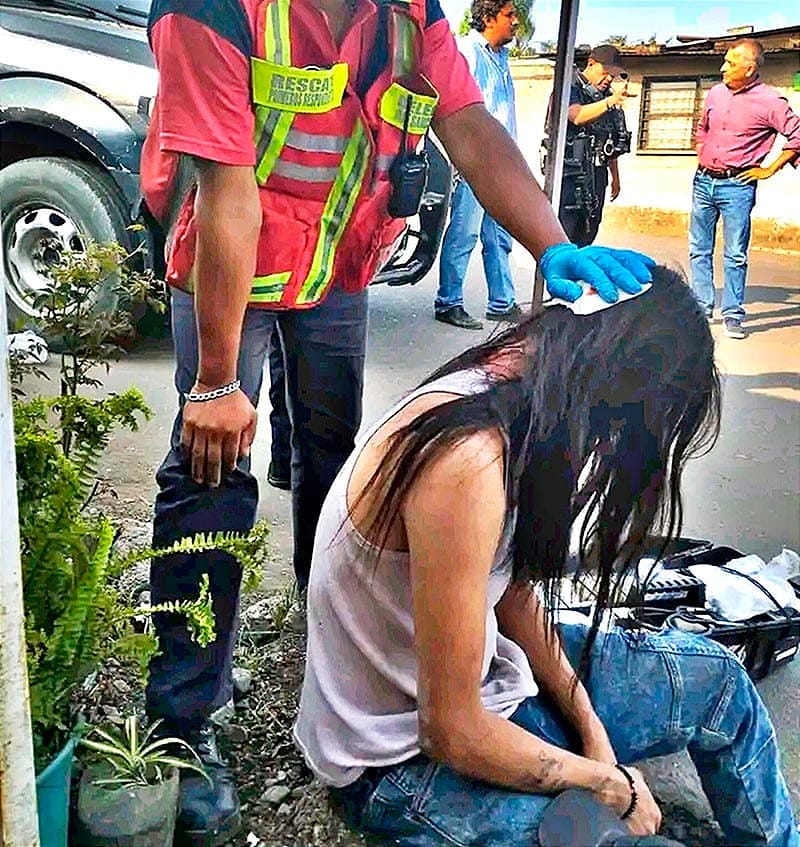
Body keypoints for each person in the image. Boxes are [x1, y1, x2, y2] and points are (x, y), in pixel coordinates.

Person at [139, 0, 658, 839]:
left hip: (338, 267)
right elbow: (227, 193)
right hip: (233, 258)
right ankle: (184, 719)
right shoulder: (215, 10)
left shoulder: (410, 15)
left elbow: (470, 125)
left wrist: (550, 242)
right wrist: (213, 382)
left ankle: (326, 655)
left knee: (334, 462)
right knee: (211, 471)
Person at [294, 266, 800, 847]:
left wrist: (591, 729)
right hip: (396, 763)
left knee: (720, 684)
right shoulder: (469, 458)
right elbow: (452, 731)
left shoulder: (521, 388)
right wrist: (611, 787)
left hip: (491, 692)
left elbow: (509, 590)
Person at [689, 38, 800, 340]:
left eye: (731, 63)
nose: (723, 68)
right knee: (699, 249)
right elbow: (702, 128)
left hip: (737, 186)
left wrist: (769, 169)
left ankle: (733, 314)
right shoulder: (714, 93)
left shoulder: (770, 101)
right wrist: (701, 150)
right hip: (703, 181)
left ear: (749, 69)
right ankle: (701, 307)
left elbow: (797, 134)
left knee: (735, 254)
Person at [434, 0, 521, 330]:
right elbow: (450, 106)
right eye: (509, 15)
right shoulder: (467, 52)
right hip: (476, 160)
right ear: (488, 18)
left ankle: (502, 302)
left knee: (498, 235)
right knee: (464, 232)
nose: (515, 23)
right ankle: (448, 302)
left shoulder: (502, 57)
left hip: (503, 162)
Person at [543, 44, 632, 246]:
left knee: (587, 235)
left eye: (613, 75)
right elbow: (576, 115)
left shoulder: (606, 96)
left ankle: (575, 277)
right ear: (591, 64)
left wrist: (615, 177)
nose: (609, 79)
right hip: (568, 176)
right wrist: (610, 101)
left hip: (596, 177)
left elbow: (609, 142)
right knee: (564, 237)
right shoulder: (569, 87)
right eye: (606, 72)